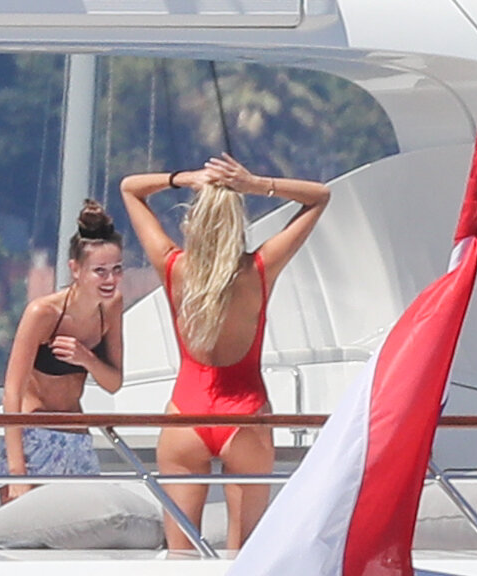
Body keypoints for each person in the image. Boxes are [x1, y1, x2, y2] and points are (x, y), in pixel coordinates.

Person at [120, 154, 329, 550]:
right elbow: (319, 196)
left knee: (180, 557)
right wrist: (256, 184)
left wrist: (185, 177)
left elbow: (130, 189)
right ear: (238, 225)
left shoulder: (173, 266)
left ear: (193, 222)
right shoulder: (258, 270)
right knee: (243, 557)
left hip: (187, 413)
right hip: (245, 415)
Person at [0, 199, 124, 502]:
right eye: (100, 271)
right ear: (76, 269)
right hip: (34, 439)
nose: (110, 279)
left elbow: (113, 383)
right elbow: (12, 392)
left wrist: (86, 358)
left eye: (116, 269)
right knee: (26, 528)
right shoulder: (43, 313)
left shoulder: (111, 307)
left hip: (77, 439)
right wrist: (17, 472)